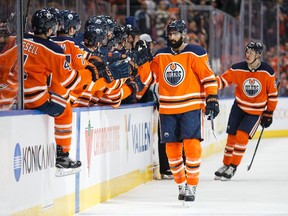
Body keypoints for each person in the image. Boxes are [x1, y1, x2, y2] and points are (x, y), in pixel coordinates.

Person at [150, 19, 219, 203]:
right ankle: (181, 183)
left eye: (175, 34)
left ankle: (192, 185)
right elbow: (148, 78)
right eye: (170, 34)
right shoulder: (160, 55)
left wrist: (212, 97)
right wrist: (142, 62)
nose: (172, 37)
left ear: (183, 34)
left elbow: (208, 77)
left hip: (191, 106)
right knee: (171, 150)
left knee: (192, 146)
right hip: (167, 108)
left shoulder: (195, 52)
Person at [24, 9, 81, 177]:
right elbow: (69, 80)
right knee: (65, 111)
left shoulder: (19, 38)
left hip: (13, 95)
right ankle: (62, 156)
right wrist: (92, 73)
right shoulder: (53, 49)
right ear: (50, 29)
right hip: (35, 98)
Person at [214, 41, 278, 181]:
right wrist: (209, 85)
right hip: (239, 107)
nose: (247, 55)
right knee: (231, 138)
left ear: (258, 55)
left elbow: (272, 94)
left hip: (255, 112)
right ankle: (226, 164)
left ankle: (233, 166)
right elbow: (222, 81)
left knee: (241, 137)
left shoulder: (267, 71)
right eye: (246, 52)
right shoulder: (238, 68)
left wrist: (269, 112)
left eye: (251, 52)